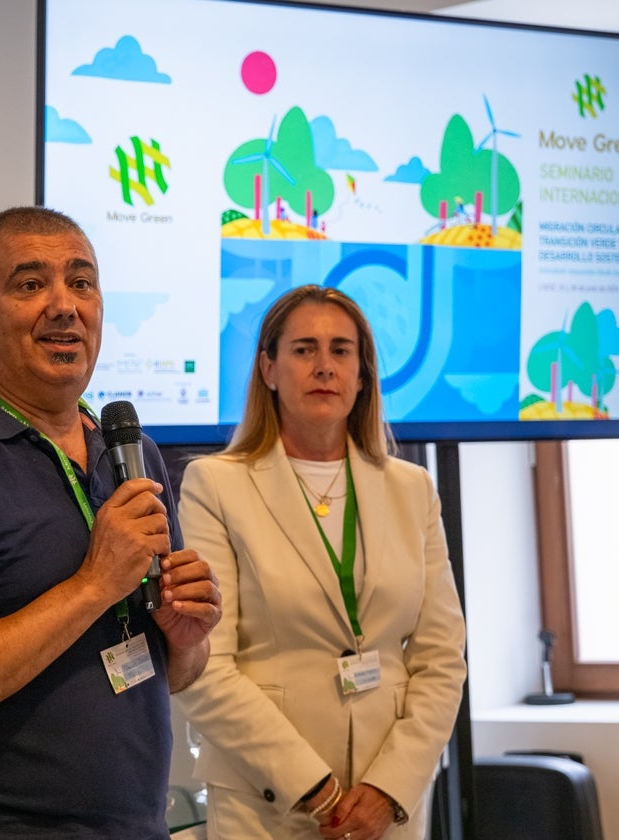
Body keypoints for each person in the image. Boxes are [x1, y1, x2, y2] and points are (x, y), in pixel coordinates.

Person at [0, 206, 223, 838]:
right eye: (30, 284)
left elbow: (174, 674)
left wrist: (186, 634)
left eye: (81, 283)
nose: (65, 305)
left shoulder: (132, 456)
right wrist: (93, 585)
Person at [173, 285, 467, 840]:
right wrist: (314, 788)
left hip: (388, 808)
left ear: (363, 375)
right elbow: (203, 662)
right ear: (269, 369)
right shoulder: (216, 485)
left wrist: (389, 789)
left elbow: (441, 659)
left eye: (341, 351)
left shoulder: (412, 489)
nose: (324, 366)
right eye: (304, 349)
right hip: (268, 804)